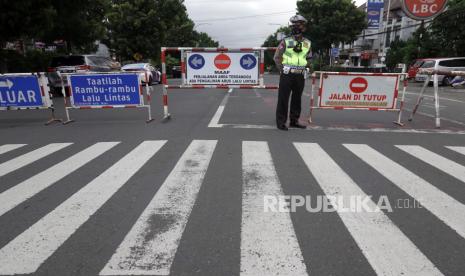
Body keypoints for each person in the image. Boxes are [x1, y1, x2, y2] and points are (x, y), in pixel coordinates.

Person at [274, 14, 312, 131]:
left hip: (300, 74)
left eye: (299, 25)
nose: (297, 27)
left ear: (304, 27)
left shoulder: (307, 43)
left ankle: (294, 121)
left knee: (297, 99)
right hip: (287, 74)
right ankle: (281, 122)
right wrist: (282, 70)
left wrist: (308, 69)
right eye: (294, 25)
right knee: (283, 98)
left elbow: (309, 58)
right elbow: (277, 57)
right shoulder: (285, 41)